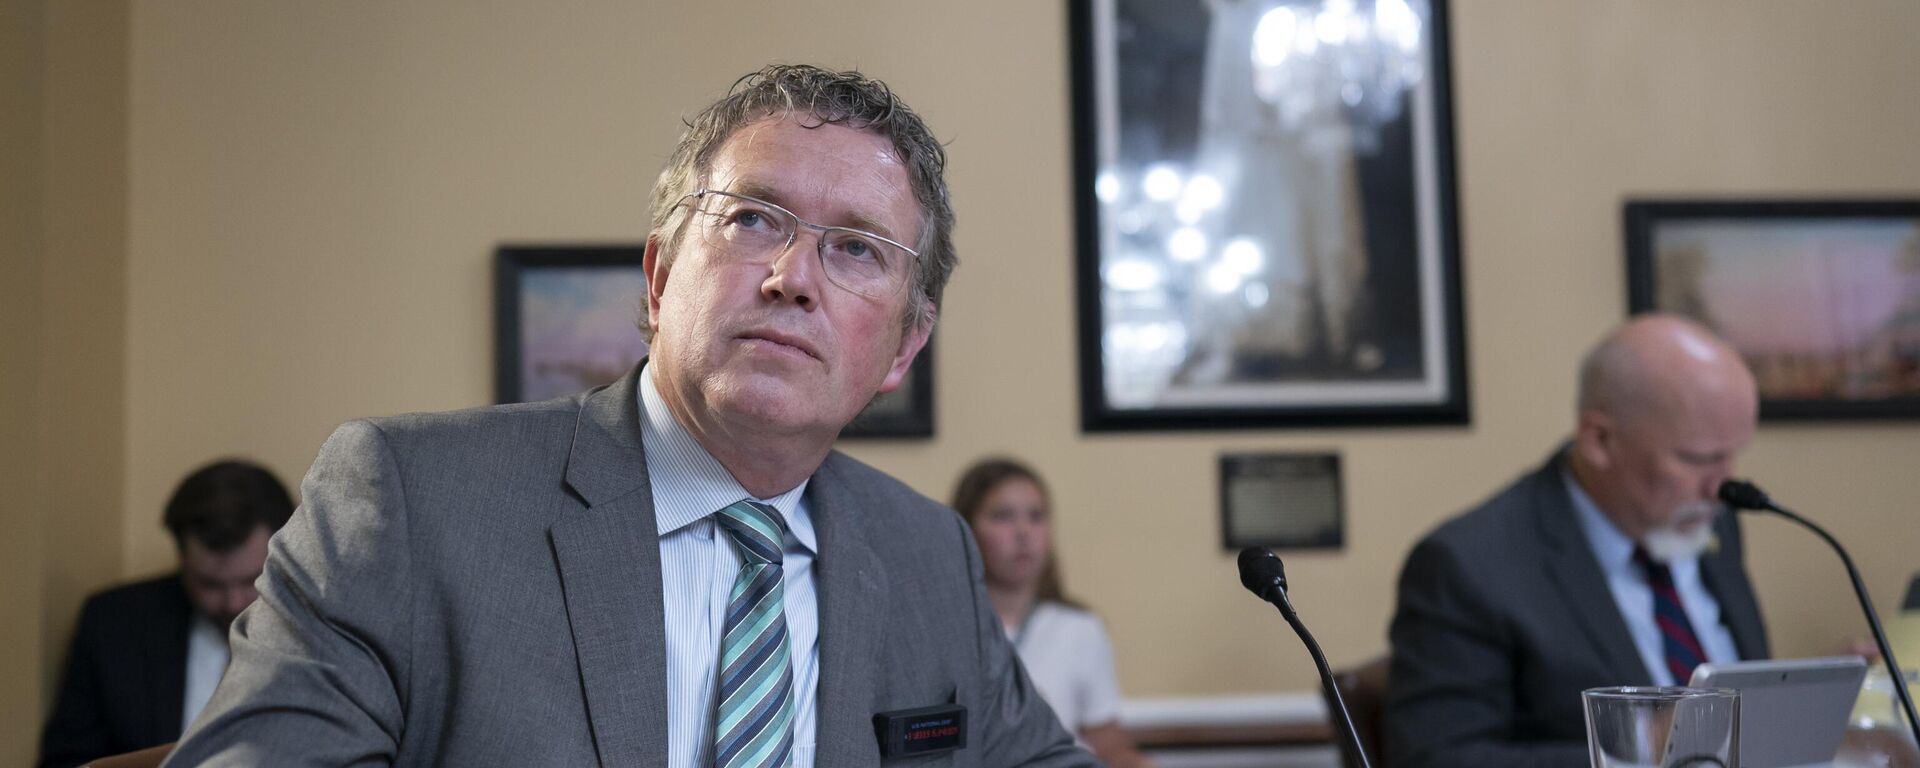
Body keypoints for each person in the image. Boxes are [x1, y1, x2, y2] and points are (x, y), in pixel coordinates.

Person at [165, 65, 1091, 767]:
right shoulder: (408, 498)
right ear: (657, 276)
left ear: (903, 347)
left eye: (855, 248)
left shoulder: (930, 552)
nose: (791, 278)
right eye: (754, 220)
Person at [1385, 314, 1770, 767]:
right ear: (1599, 439)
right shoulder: (1467, 566)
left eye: (1732, 455)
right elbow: (1438, 759)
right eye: (1697, 458)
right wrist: (1644, 748)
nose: (1722, 487)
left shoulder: (1709, 523)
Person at [39, 460, 294, 768]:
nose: (232, 601)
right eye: (209, 584)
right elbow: (67, 759)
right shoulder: (114, 623)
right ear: (181, 558)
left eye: (251, 579)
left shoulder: (332, 629)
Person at [951, 458, 1152, 768]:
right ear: (966, 528)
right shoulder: (946, 626)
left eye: (1036, 516)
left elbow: (1108, 743)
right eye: (1002, 516)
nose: (1023, 532)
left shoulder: (1080, 628)